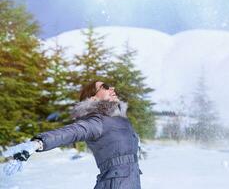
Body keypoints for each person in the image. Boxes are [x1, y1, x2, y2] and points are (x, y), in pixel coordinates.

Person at [3, 80, 143, 189]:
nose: (112, 88)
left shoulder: (119, 120)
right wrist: (38, 143)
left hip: (130, 181)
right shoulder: (97, 121)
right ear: (93, 98)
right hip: (115, 184)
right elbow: (71, 132)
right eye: (105, 86)